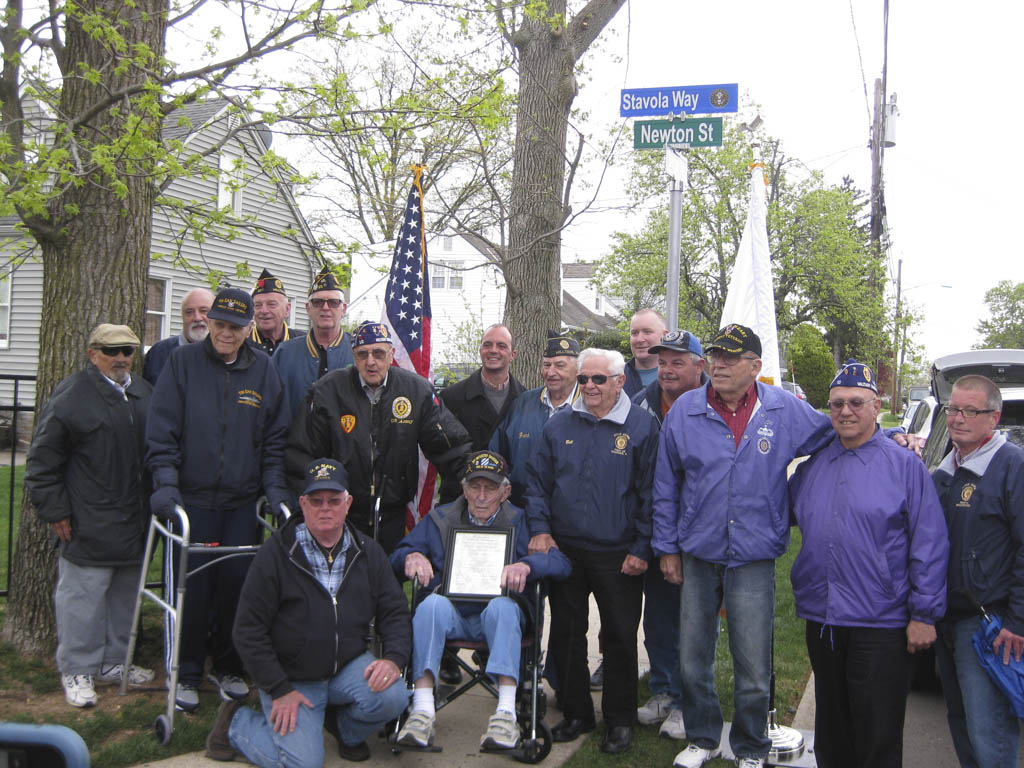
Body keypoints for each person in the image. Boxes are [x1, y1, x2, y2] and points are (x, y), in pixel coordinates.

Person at [789, 359, 948, 768]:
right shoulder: (812, 469)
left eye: (856, 403)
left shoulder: (905, 466)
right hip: (823, 619)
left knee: (876, 733)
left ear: (877, 406)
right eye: (837, 403)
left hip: (882, 623)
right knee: (833, 730)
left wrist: (924, 614)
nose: (845, 411)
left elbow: (929, 544)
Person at [205, 459, 410, 766]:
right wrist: (278, 689)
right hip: (292, 678)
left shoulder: (368, 552)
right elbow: (247, 630)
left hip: (346, 666)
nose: (325, 508)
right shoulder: (275, 555)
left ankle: (346, 731)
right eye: (316, 501)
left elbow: (394, 611)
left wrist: (394, 659)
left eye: (334, 500)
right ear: (302, 503)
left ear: (348, 502)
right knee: (304, 764)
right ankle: (235, 722)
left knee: (395, 696)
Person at [146, 287, 292, 712]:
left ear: (249, 329)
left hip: (242, 503)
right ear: (209, 323)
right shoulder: (182, 363)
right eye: (220, 325)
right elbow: (162, 432)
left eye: (236, 327)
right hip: (192, 500)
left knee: (237, 589)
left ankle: (228, 667)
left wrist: (275, 492)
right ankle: (187, 670)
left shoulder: (263, 370)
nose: (227, 334)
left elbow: (274, 440)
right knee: (192, 587)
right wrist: (166, 485)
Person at [526, 347, 661, 755]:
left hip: (618, 553)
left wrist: (641, 546)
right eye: (584, 379)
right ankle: (577, 712)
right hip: (566, 551)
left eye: (598, 379)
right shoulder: (559, 424)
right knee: (566, 634)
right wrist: (540, 530)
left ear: (620, 381)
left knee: (619, 637)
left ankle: (619, 720)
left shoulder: (641, 427)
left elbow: (651, 494)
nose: (589, 386)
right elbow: (537, 483)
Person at [389, 450, 571, 750]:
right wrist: (412, 555)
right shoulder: (440, 519)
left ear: (506, 491)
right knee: (429, 606)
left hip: (500, 619)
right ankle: (421, 710)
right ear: (464, 489)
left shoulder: (523, 522)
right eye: (475, 487)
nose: (482, 496)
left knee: (502, 607)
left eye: (491, 488)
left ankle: (506, 714)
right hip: (452, 615)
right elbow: (396, 554)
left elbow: (562, 564)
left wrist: (528, 565)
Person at [26, 324, 155, 708]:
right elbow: (41, 461)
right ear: (92, 352)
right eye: (110, 351)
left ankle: (114, 662)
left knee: (124, 599)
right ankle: (77, 668)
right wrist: (55, 511)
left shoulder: (143, 393)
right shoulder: (73, 396)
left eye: (127, 351)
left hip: (134, 520)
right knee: (81, 600)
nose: (120, 359)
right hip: (86, 521)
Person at [286, 320, 471, 554]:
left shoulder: (416, 391)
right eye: (362, 354)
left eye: (378, 353)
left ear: (391, 354)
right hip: (341, 510)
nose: (370, 361)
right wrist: (320, 500)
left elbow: (451, 447)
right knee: (343, 580)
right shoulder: (328, 390)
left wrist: (476, 480)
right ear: (353, 356)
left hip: (392, 511)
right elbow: (302, 454)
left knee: (387, 580)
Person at [931, 374, 1024, 768]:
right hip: (946, 621)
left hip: (990, 625)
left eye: (971, 411)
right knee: (962, 724)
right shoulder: (945, 470)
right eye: (953, 409)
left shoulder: (1012, 466)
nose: (958, 418)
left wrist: (1017, 620)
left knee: (991, 736)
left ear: (994, 417)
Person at [631, 330, 706, 739]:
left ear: (700, 365)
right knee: (658, 619)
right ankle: (662, 689)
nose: (667, 369)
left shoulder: (715, 404)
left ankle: (686, 700)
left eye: (678, 361)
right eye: (662, 362)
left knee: (694, 624)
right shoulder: (642, 406)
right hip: (656, 531)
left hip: (701, 536)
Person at [489, 330, 580, 509]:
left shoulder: (588, 407)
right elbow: (497, 452)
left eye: (560, 365)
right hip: (521, 508)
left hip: (571, 514)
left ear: (578, 370)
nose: (551, 372)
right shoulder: (522, 403)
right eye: (547, 365)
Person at [274, 265, 354, 418]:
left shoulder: (358, 352)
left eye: (333, 302)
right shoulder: (285, 353)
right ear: (308, 308)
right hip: (294, 439)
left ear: (343, 309)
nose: (325, 308)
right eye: (317, 302)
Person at [440, 324, 524, 451]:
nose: (493, 350)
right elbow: (443, 449)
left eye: (501, 346)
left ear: (513, 354)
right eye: (487, 344)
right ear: (480, 350)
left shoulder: (526, 400)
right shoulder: (451, 398)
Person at [142, 287, 214, 384]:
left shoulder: (228, 353)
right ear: (182, 316)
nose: (197, 318)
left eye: (203, 311)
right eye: (189, 312)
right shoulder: (159, 353)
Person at [249, 268, 304, 356]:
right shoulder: (242, 343)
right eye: (258, 305)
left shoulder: (304, 344)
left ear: (287, 309)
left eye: (272, 304)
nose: (264, 311)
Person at [623, 309, 666, 397]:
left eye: (647, 332)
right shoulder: (615, 377)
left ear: (665, 335)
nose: (640, 339)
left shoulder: (678, 378)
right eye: (634, 333)